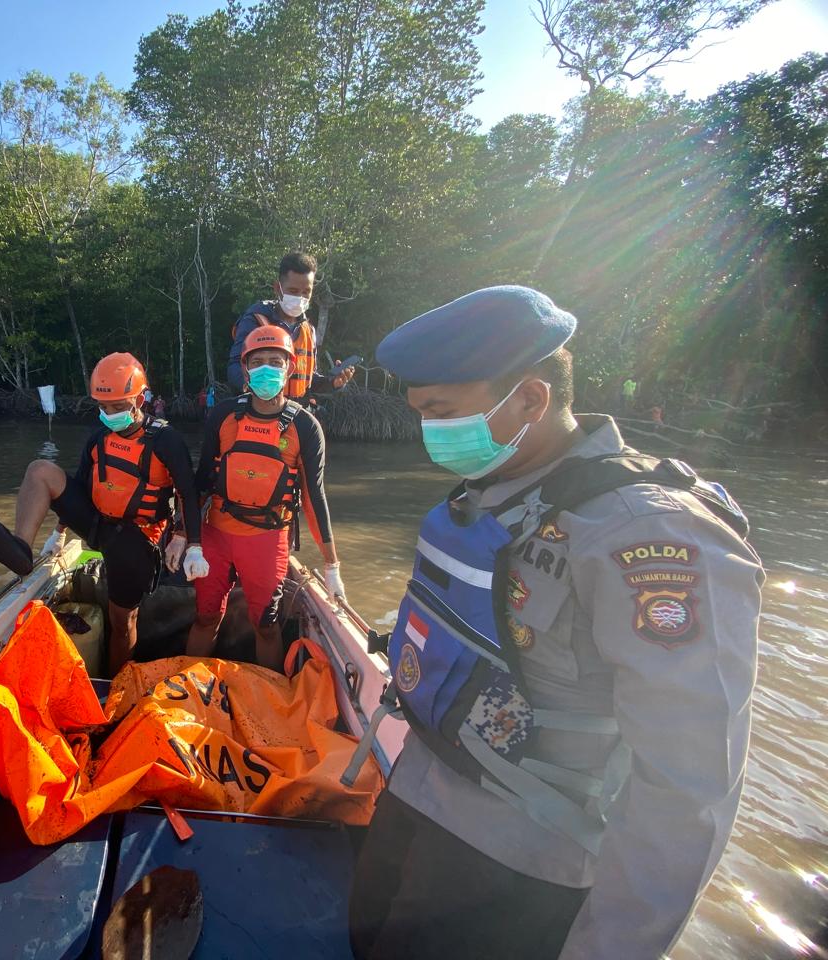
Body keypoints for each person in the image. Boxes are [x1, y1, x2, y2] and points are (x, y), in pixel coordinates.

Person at [349, 285, 763, 960]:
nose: (429, 431)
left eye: (441, 412)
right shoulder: (496, 485)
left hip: (515, 864)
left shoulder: (656, 539)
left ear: (531, 400)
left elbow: (689, 790)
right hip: (418, 787)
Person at [0, 353, 206, 677]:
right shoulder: (98, 437)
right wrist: (59, 533)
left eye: (117, 406)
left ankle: (117, 686)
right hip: (98, 523)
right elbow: (81, 486)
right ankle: (21, 548)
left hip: (137, 539)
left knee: (122, 621)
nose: (108, 413)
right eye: (103, 406)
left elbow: (188, 493)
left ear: (140, 399)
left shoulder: (166, 440)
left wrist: (186, 540)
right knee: (41, 470)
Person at [188, 325, 346, 671]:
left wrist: (332, 565)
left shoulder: (305, 427)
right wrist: (185, 537)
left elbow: (313, 498)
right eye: (257, 361)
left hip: (267, 538)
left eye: (275, 361)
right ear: (244, 369)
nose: (266, 368)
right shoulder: (223, 415)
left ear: (290, 368)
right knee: (204, 617)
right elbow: (201, 481)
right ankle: (188, 687)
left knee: (267, 626)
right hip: (216, 533)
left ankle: (269, 699)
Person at [226, 251, 356, 400]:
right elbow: (235, 365)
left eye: (306, 292)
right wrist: (249, 387)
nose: (300, 297)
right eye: (293, 291)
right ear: (277, 288)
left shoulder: (308, 331)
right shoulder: (255, 319)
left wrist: (333, 383)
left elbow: (308, 381)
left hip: (295, 414)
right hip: (262, 413)